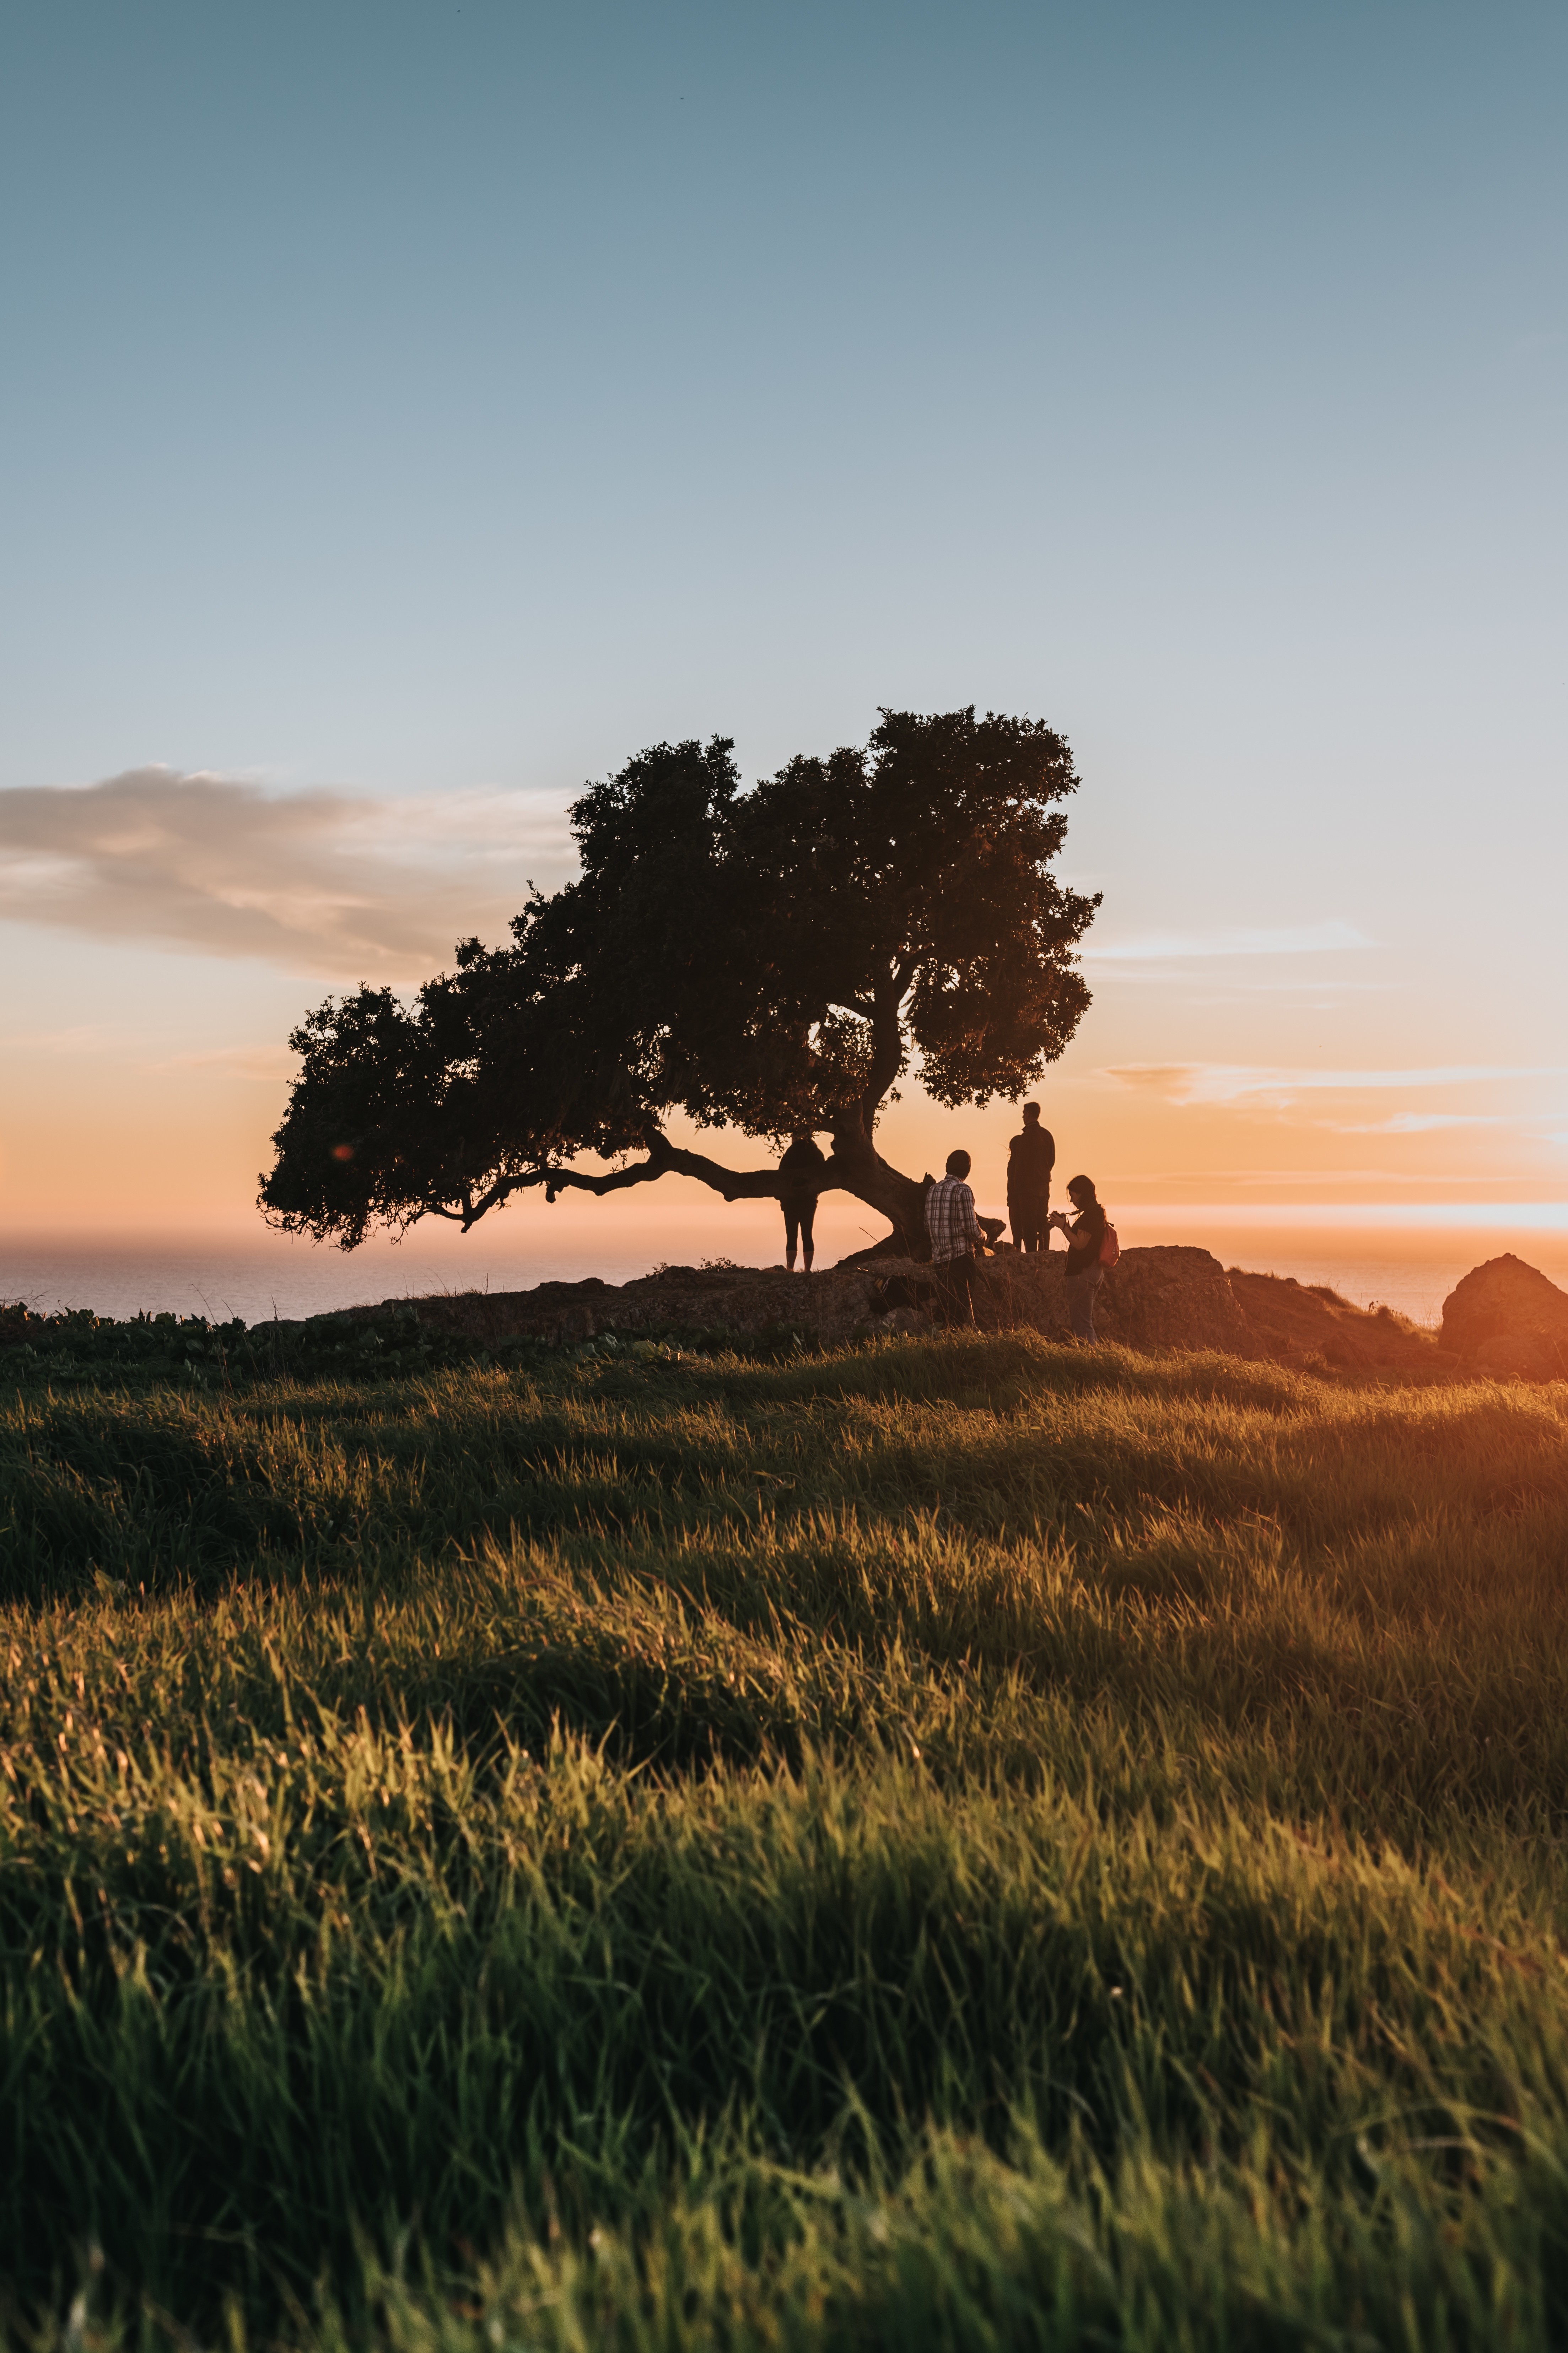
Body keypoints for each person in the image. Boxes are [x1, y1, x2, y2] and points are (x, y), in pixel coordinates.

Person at [924, 1149, 981, 1326]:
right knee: (961, 1313)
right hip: (960, 1259)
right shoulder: (962, 1190)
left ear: (948, 1167)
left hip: (939, 1261)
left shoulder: (933, 1190)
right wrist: (983, 1236)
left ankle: (944, 1345)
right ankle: (961, 1348)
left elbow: (927, 1226)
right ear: (968, 1170)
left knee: (948, 1308)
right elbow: (971, 1227)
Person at [1049, 1174, 1107, 1342]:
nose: (1072, 1201)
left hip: (1084, 1273)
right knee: (1085, 1323)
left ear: (1081, 1194)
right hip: (1094, 1271)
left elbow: (1080, 1244)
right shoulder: (1096, 1212)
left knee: (1082, 1326)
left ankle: (1091, 1364)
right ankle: (1093, 1361)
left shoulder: (1091, 1214)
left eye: (1073, 1196)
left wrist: (1063, 1227)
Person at [1006, 1101, 1055, 1252]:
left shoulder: (1024, 1138)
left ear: (1028, 1114)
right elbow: (1052, 1160)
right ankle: (1044, 1252)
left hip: (1026, 1189)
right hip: (1043, 1186)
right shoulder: (1047, 1135)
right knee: (1042, 1221)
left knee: (1029, 1224)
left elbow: (1019, 1167)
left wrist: (1017, 1189)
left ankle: (1032, 1254)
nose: (1022, 1117)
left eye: (1023, 1114)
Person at [777, 1132, 827, 1270]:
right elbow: (823, 1176)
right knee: (807, 1234)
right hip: (810, 1199)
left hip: (790, 1200)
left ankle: (790, 1269)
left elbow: (781, 1175)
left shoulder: (790, 1153)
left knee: (791, 1235)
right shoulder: (816, 1153)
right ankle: (807, 1270)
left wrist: (782, 1198)